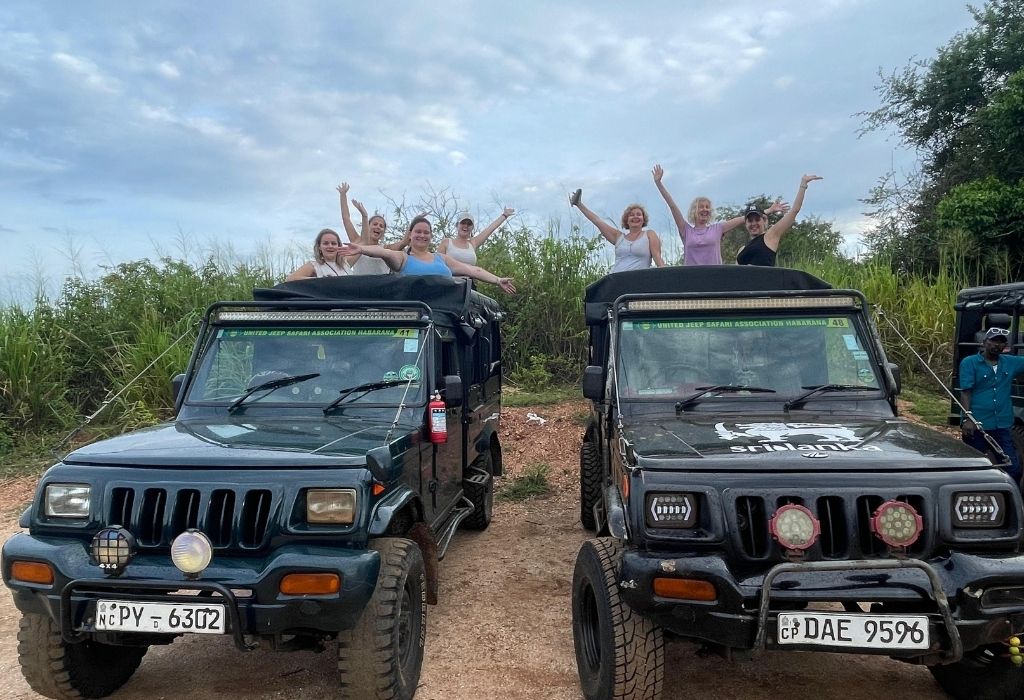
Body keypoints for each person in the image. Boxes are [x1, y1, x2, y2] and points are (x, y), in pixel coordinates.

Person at [337, 216, 517, 294]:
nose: (422, 235)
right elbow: (384, 252)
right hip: (419, 318)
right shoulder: (403, 258)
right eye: (418, 232)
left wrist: (497, 280)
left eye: (426, 232)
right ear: (410, 235)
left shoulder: (441, 258)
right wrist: (362, 249)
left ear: (431, 236)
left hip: (445, 316)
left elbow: (472, 270)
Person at [652, 164, 786, 266]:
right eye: (701, 207)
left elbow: (743, 218)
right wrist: (659, 184)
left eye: (707, 207)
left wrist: (768, 210)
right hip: (691, 277)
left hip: (714, 277)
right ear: (694, 211)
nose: (705, 209)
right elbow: (672, 206)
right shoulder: (686, 230)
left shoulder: (717, 229)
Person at [960, 327, 1024, 484]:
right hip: (977, 424)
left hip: (1002, 425)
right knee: (975, 468)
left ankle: (1009, 496)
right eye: (994, 341)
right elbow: (966, 392)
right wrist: (968, 418)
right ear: (984, 342)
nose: (997, 345)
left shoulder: (1011, 362)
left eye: (1001, 342)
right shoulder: (969, 363)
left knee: (1013, 469)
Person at [568, 189, 665, 272]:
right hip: (617, 279)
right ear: (626, 220)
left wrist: (667, 276)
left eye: (639, 214)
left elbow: (657, 257)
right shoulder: (619, 237)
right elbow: (597, 221)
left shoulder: (649, 235)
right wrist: (579, 204)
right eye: (631, 215)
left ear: (643, 219)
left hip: (639, 281)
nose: (635, 217)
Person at [737, 175, 823, 266]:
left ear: (764, 220)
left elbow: (794, 211)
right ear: (746, 223)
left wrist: (803, 185)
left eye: (757, 219)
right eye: (750, 221)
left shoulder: (770, 236)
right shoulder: (742, 249)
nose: (754, 223)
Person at [336, 182, 406, 275]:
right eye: (375, 224)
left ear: (383, 232)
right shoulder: (358, 242)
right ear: (367, 227)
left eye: (381, 226)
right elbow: (346, 219)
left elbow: (404, 241)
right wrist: (343, 195)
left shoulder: (386, 249)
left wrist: (416, 222)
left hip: (381, 283)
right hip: (359, 283)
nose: (378, 227)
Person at [437, 207, 515, 266]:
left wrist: (504, 215)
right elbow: (437, 264)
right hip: (449, 281)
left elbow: (490, 229)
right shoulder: (447, 242)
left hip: (469, 281)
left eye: (469, 224)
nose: (466, 226)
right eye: (463, 223)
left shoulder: (472, 243)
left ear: (472, 227)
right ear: (457, 225)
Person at [286, 228, 353, 280]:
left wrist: (362, 215)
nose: (330, 246)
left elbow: (359, 241)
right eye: (325, 243)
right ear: (319, 247)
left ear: (339, 246)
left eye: (333, 243)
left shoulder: (345, 263)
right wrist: (319, 280)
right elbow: (290, 279)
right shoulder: (314, 265)